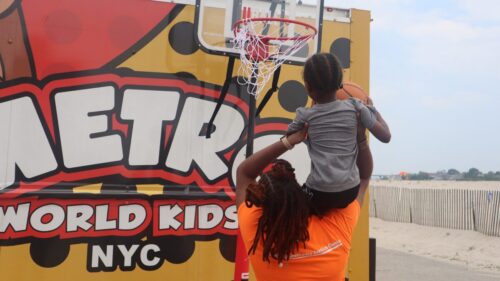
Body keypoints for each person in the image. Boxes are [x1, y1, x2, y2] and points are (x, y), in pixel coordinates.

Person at [236, 124, 374, 281]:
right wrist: (360, 137)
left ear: (264, 202)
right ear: (300, 194)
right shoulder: (335, 225)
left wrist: (288, 142)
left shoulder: (255, 225)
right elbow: (363, 176)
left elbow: (244, 173)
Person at [287, 53, 390, 213]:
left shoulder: (305, 115)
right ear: (340, 84)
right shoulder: (356, 106)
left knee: (294, 199)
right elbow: (386, 136)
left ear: (307, 86)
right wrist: (373, 111)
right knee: (361, 179)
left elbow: (289, 137)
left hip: (318, 194)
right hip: (350, 191)